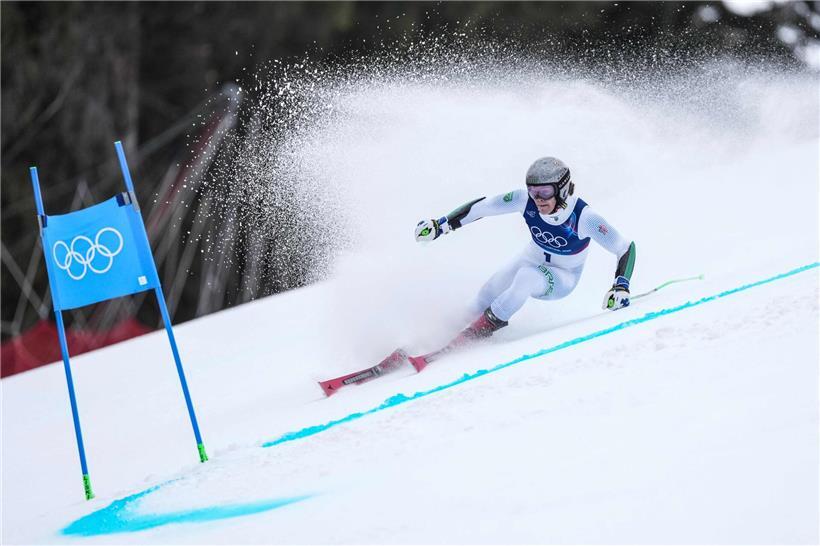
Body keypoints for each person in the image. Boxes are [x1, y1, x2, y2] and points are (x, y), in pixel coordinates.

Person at [414, 156, 636, 347]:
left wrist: (621, 286)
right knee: (488, 291)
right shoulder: (525, 200)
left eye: (545, 191)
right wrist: (441, 224)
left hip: (562, 277)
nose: (538, 199)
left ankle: (484, 328)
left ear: (563, 189)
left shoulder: (584, 217)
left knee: (526, 277)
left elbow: (625, 247)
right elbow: (484, 207)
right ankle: (438, 334)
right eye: (533, 191)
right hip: (531, 258)